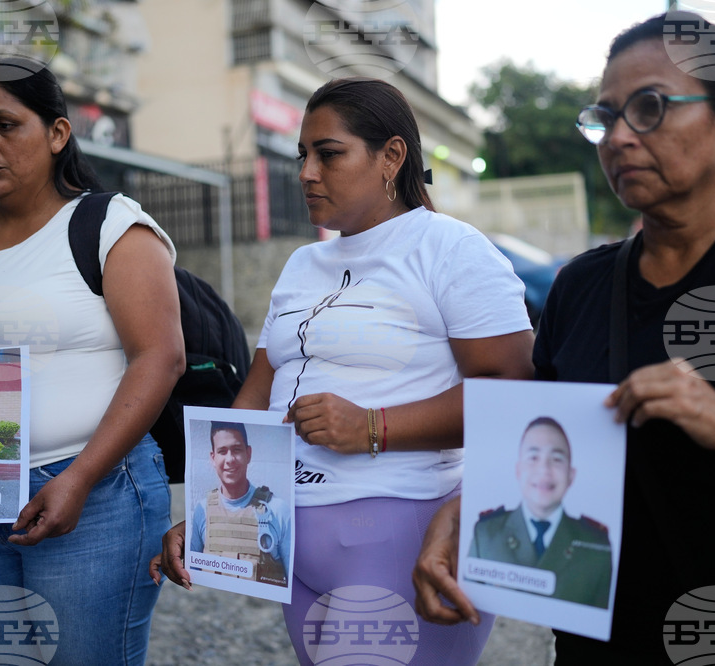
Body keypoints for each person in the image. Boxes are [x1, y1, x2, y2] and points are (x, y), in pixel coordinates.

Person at [414, 12, 715, 664]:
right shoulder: (580, 288)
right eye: (604, 117)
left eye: (649, 108)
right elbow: (536, 444)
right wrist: (459, 516)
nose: (618, 137)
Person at [150, 77, 534, 664]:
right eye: (302, 155)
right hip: (287, 540)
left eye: (328, 154)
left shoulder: (453, 251)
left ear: (392, 156)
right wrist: (207, 511)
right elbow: (256, 391)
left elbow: (514, 395)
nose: (306, 172)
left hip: (401, 532)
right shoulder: (303, 263)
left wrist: (375, 425)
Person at [0, 62, 184, 666]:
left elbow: (161, 357)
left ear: (57, 133)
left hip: (96, 492)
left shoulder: (109, 225)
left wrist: (76, 480)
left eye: (4, 124)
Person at [468, 417, 611, 608]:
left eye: (557, 459)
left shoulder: (596, 544)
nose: (544, 470)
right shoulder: (485, 534)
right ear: (518, 470)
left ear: (571, 475)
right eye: (533, 457)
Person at [190, 421, 292, 586]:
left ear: (248, 453)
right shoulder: (202, 510)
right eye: (222, 451)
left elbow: (293, 580)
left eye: (236, 450)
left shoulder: (277, 509)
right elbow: (192, 577)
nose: (230, 459)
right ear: (213, 458)